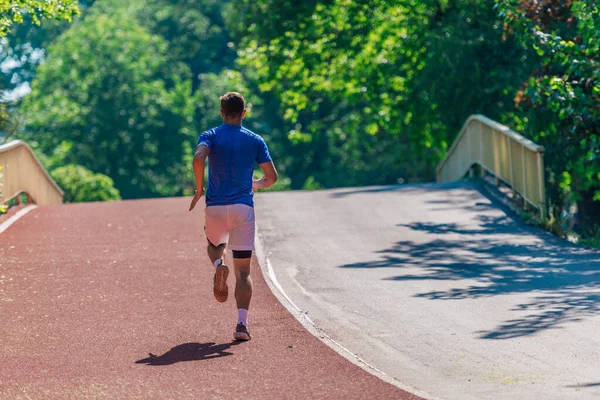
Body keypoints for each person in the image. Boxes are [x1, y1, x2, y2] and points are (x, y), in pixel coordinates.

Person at [189, 92, 278, 341]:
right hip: (243, 208)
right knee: (243, 272)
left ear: (221, 113)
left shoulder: (211, 135)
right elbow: (271, 178)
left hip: (216, 207)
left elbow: (198, 157)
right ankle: (241, 325)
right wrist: (254, 185)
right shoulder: (255, 140)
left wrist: (199, 189)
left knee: (214, 245)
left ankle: (219, 266)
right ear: (243, 113)